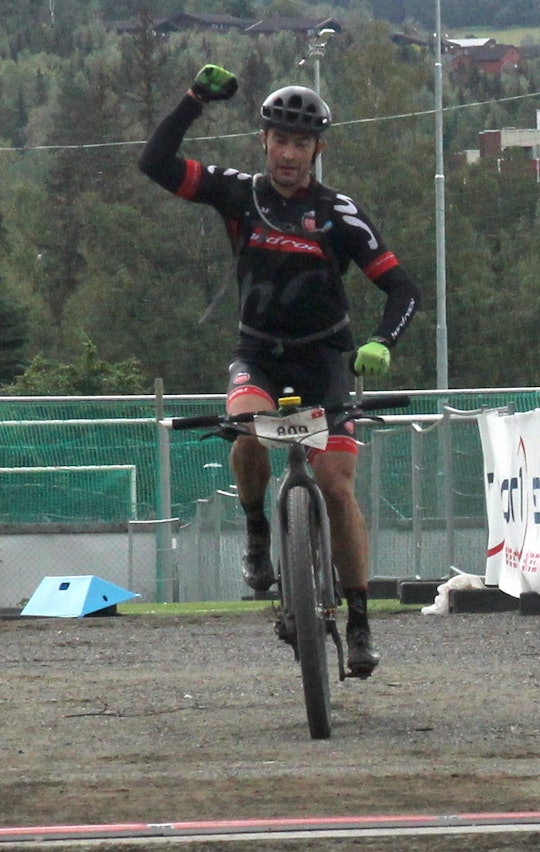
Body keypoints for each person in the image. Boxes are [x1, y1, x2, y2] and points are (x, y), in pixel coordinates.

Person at [138, 65, 421, 677]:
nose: (289, 154)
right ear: (263, 142)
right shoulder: (240, 194)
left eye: (302, 144)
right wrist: (192, 100)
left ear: (318, 150)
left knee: (338, 486)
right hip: (258, 353)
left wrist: (382, 342)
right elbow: (154, 163)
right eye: (280, 141)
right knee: (243, 428)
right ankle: (258, 531)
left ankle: (361, 618)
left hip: (325, 361)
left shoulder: (339, 213)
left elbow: (401, 288)